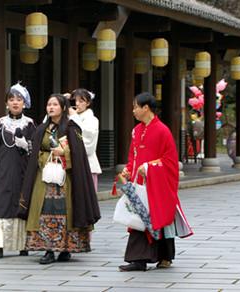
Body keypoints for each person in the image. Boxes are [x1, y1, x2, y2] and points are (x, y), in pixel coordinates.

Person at [18, 93, 101, 265]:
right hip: (45, 177)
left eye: (55, 105)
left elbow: (79, 153)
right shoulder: (41, 129)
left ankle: (65, 248)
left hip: (65, 179)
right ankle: (48, 250)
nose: (51, 108)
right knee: (44, 210)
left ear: (63, 108)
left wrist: (64, 154)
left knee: (65, 210)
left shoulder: (71, 128)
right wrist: (44, 157)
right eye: (49, 104)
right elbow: (35, 153)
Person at [118, 92, 190, 272]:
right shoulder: (136, 131)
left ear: (146, 108)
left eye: (135, 107)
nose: (133, 110)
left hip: (157, 183)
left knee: (160, 216)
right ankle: (139, 260)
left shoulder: (163, 131)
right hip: (140, 183)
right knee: (139, 219)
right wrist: (128, 169)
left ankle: (164, 256)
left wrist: (149, 167)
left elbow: (170, 160)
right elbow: (132, 157)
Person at [0, 83, 36, 258]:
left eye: (19, 99)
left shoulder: (30, 125)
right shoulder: (0, 124)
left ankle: (23, 243)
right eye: (11, 99)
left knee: (20, 206)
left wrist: (26, 145)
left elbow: (36, 151)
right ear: (6, 103)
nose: (15, 103)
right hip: (2, 172)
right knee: (1, 205)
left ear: (25, 103)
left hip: (22, 172)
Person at [68, 89, 102, 191]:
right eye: (75, 101)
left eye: (81, 101)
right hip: (71, 164)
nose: (77, 104)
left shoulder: (92, 120)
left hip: (87, 165)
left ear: (88, 103)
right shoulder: (70, 117)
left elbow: (89, 141)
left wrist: (74, 117)